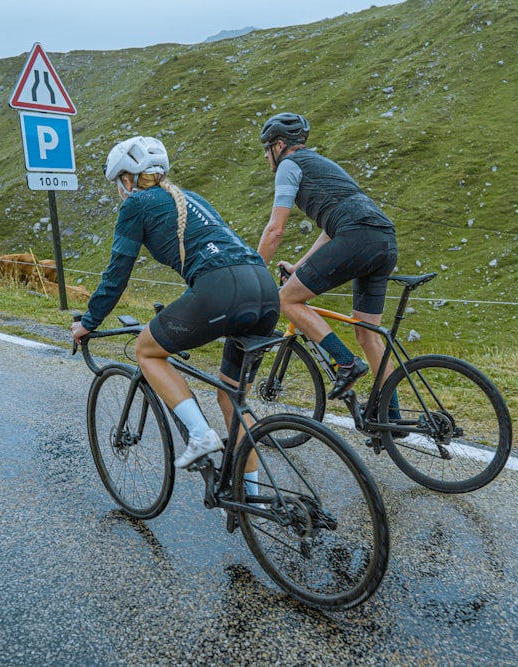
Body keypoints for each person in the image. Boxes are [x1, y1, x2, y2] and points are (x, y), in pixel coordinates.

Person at [72, 136, 279, 481]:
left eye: (119, 183)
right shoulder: (191, 198)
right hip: (263, 288)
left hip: (220, 290)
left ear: (127, 179)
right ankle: (255, 503)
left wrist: (89, 321)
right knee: (232, 399)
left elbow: (117, 273)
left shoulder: (136, 204)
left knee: (147, 351)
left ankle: (200, 436)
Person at [256, 112, 398, 402]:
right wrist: (298, 267)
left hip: (357, 237)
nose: (266, 157)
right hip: (383, 240)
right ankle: (390, 415)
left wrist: (253, 270)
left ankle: (345, 363)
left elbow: (275, 230)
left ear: (279, 145)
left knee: (286, 299)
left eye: (266, 149)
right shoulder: (322, 164)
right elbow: (332, 230)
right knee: (366, 332)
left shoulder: (289, 165)